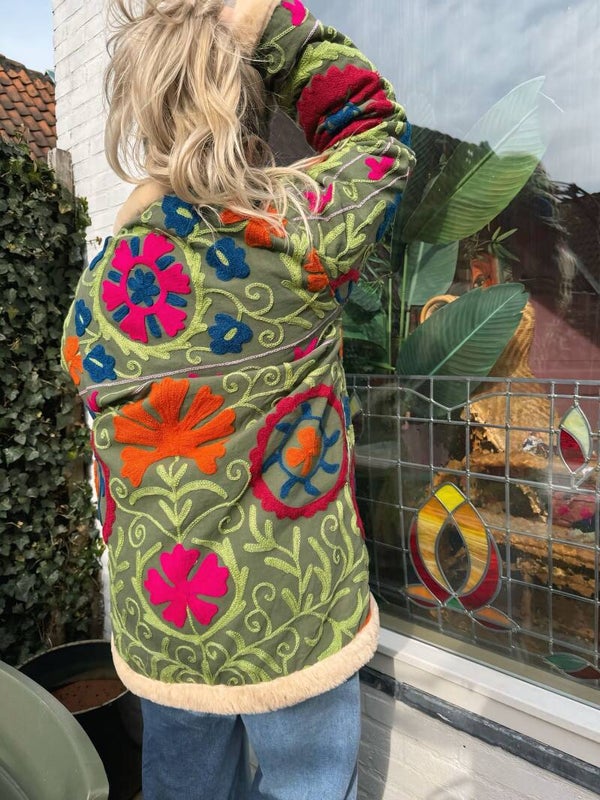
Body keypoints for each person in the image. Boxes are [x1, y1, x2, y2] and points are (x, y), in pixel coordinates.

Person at [62, 1, 414, 797]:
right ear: (254, 120)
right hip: (295, 618)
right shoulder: (295, 236)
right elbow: (376, 133)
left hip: (166, 619)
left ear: (143, 122)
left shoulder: (98, 291)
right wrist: (271, 26)